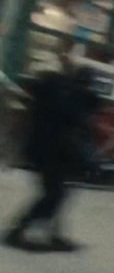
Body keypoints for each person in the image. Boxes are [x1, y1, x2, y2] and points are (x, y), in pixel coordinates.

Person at [4, 56, 98, 252]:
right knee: (54, 194)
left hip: (45, 150)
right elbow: (73, 119)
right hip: (53, 152)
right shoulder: (69, 97)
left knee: (58, 193)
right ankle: (17, 231)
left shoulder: (54, 91)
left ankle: (49, 233)